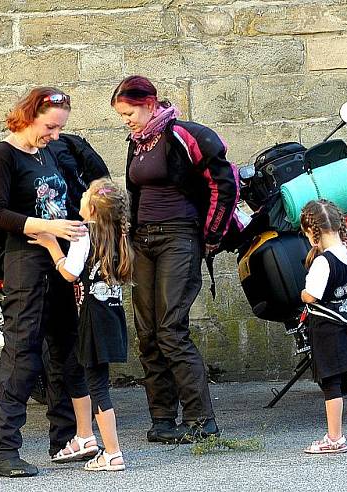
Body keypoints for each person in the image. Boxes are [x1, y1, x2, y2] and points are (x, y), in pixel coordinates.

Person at [110, 75, 239, 443]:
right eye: (121, 115)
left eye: (129, 112)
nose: (126, 120)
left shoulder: (185, 134)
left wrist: (212, 235)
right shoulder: (137, 143)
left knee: (170, 329)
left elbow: (223, 181)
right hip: (144, 242)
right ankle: (163, 419)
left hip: (179, 238)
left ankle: (202, 421)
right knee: (148, 333)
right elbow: (135, 193)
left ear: (149, 103)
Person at [0, 87, 88, 477]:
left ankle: (64, 440)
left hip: (58, 261)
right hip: (27, 264)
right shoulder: (2, 155)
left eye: (60, 128)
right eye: (50, 127)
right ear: (28, 116)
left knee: (65, 349)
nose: (56, 135)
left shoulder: (44, 152)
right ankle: (1, 451)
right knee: (21, 354)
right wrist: (49, 227)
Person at [30, 178, 133, 472]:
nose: (82, 195)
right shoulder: (114, 233)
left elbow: (70, 273)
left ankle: (112, 453)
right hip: (111, 315)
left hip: (92, 318)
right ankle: (85, 436)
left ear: (92, 208)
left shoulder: (83, 233)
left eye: (86, 194)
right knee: (82, 373)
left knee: (98, 386)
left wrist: (51, 245)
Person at [298, 200, 347, 454]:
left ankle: (334, 437)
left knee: (331, 383)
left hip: (326, 330)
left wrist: (302, 294)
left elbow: (312, 295)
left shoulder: (323, 262)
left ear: (313, 234)